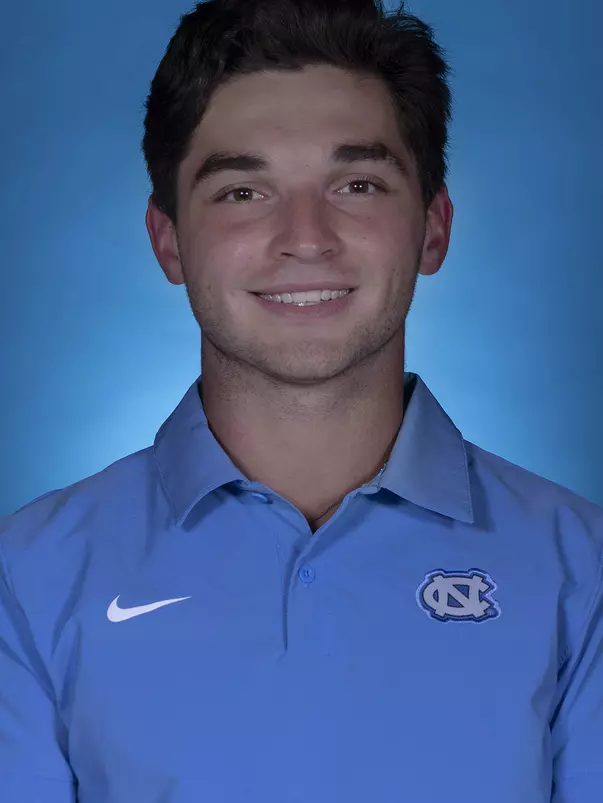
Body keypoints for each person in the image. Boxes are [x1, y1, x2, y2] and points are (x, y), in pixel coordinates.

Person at [1, 0, 602, 800]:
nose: (306, 236)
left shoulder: (582, 574)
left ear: (432, 227)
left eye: (356, 182)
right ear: (168, 240)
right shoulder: (24, 579)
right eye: (243, 192)